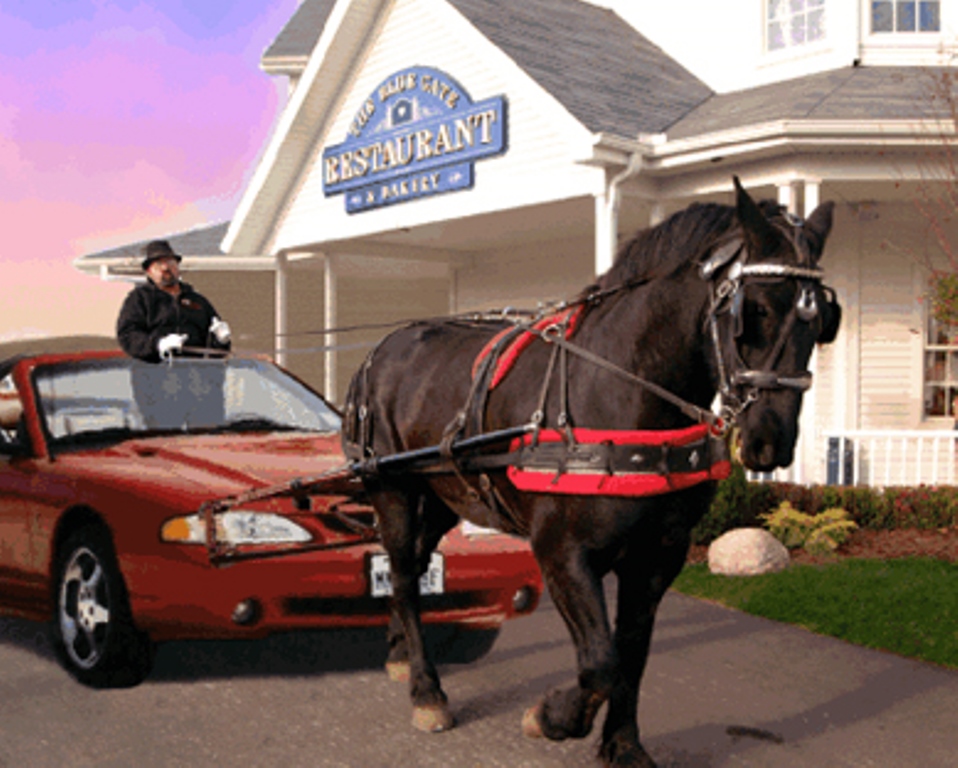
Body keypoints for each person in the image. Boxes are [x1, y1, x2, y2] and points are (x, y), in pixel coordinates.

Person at [116, 240, 231, 362]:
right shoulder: (139, 299)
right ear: (149, 272)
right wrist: (158, 344)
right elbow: (127, 336)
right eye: (158, 264)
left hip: (195, 375)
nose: (165, 267)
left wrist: (221, 341)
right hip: (152, 375)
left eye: (170, 262)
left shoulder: (198, 301)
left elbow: (216, 352)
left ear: (177, 266)